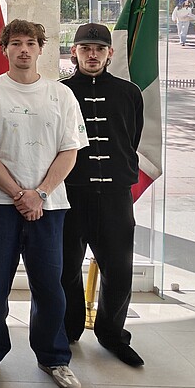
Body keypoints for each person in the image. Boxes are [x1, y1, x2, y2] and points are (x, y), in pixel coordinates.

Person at [0, 19, 89, 388]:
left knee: (50, 287)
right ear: (4, 49)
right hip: (2, 206)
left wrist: (41, 194)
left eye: (30, 43)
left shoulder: (60, 95)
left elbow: (70, 150)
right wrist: (20, 194)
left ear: (40, 48)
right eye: (15, 43)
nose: (23, 49)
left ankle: (54, 357)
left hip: (50, 207)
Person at [60, 22, 145, 367]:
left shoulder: (129, 92)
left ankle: (112, 334)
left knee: (119, 268)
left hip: (114, 195)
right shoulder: (61, 91)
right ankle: (67, 330)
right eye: (84, 48)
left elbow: (132, 136)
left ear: (109, 53)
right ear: (74, 53)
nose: (91, 55)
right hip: (70, 194)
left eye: (98, 49)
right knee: (66, 268)